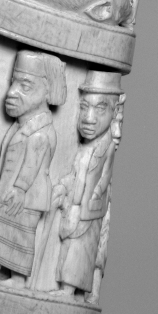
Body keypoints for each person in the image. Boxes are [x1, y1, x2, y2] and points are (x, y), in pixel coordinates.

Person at [0, 51, 66, 286]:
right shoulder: (24, 125)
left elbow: (32, 165)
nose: (11, 93)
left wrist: (19, 188)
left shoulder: (40, 132)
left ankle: (17, 278)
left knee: (19, 238)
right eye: (12, 83)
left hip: (23, 198)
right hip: (9, 193)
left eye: (25, 85)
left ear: (47, 91)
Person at [53, 72, 123, 297]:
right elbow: (74, 174)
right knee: (71, 249)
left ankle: (70, 290)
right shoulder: (84, 148)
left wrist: (94, 196)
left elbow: (102, 179)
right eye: (83, 107)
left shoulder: (106, 146)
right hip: (76, 208)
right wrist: (63, 188)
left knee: (81, 251)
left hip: (89, 210)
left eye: (100, 109)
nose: (89, 118)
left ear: (115, 112)